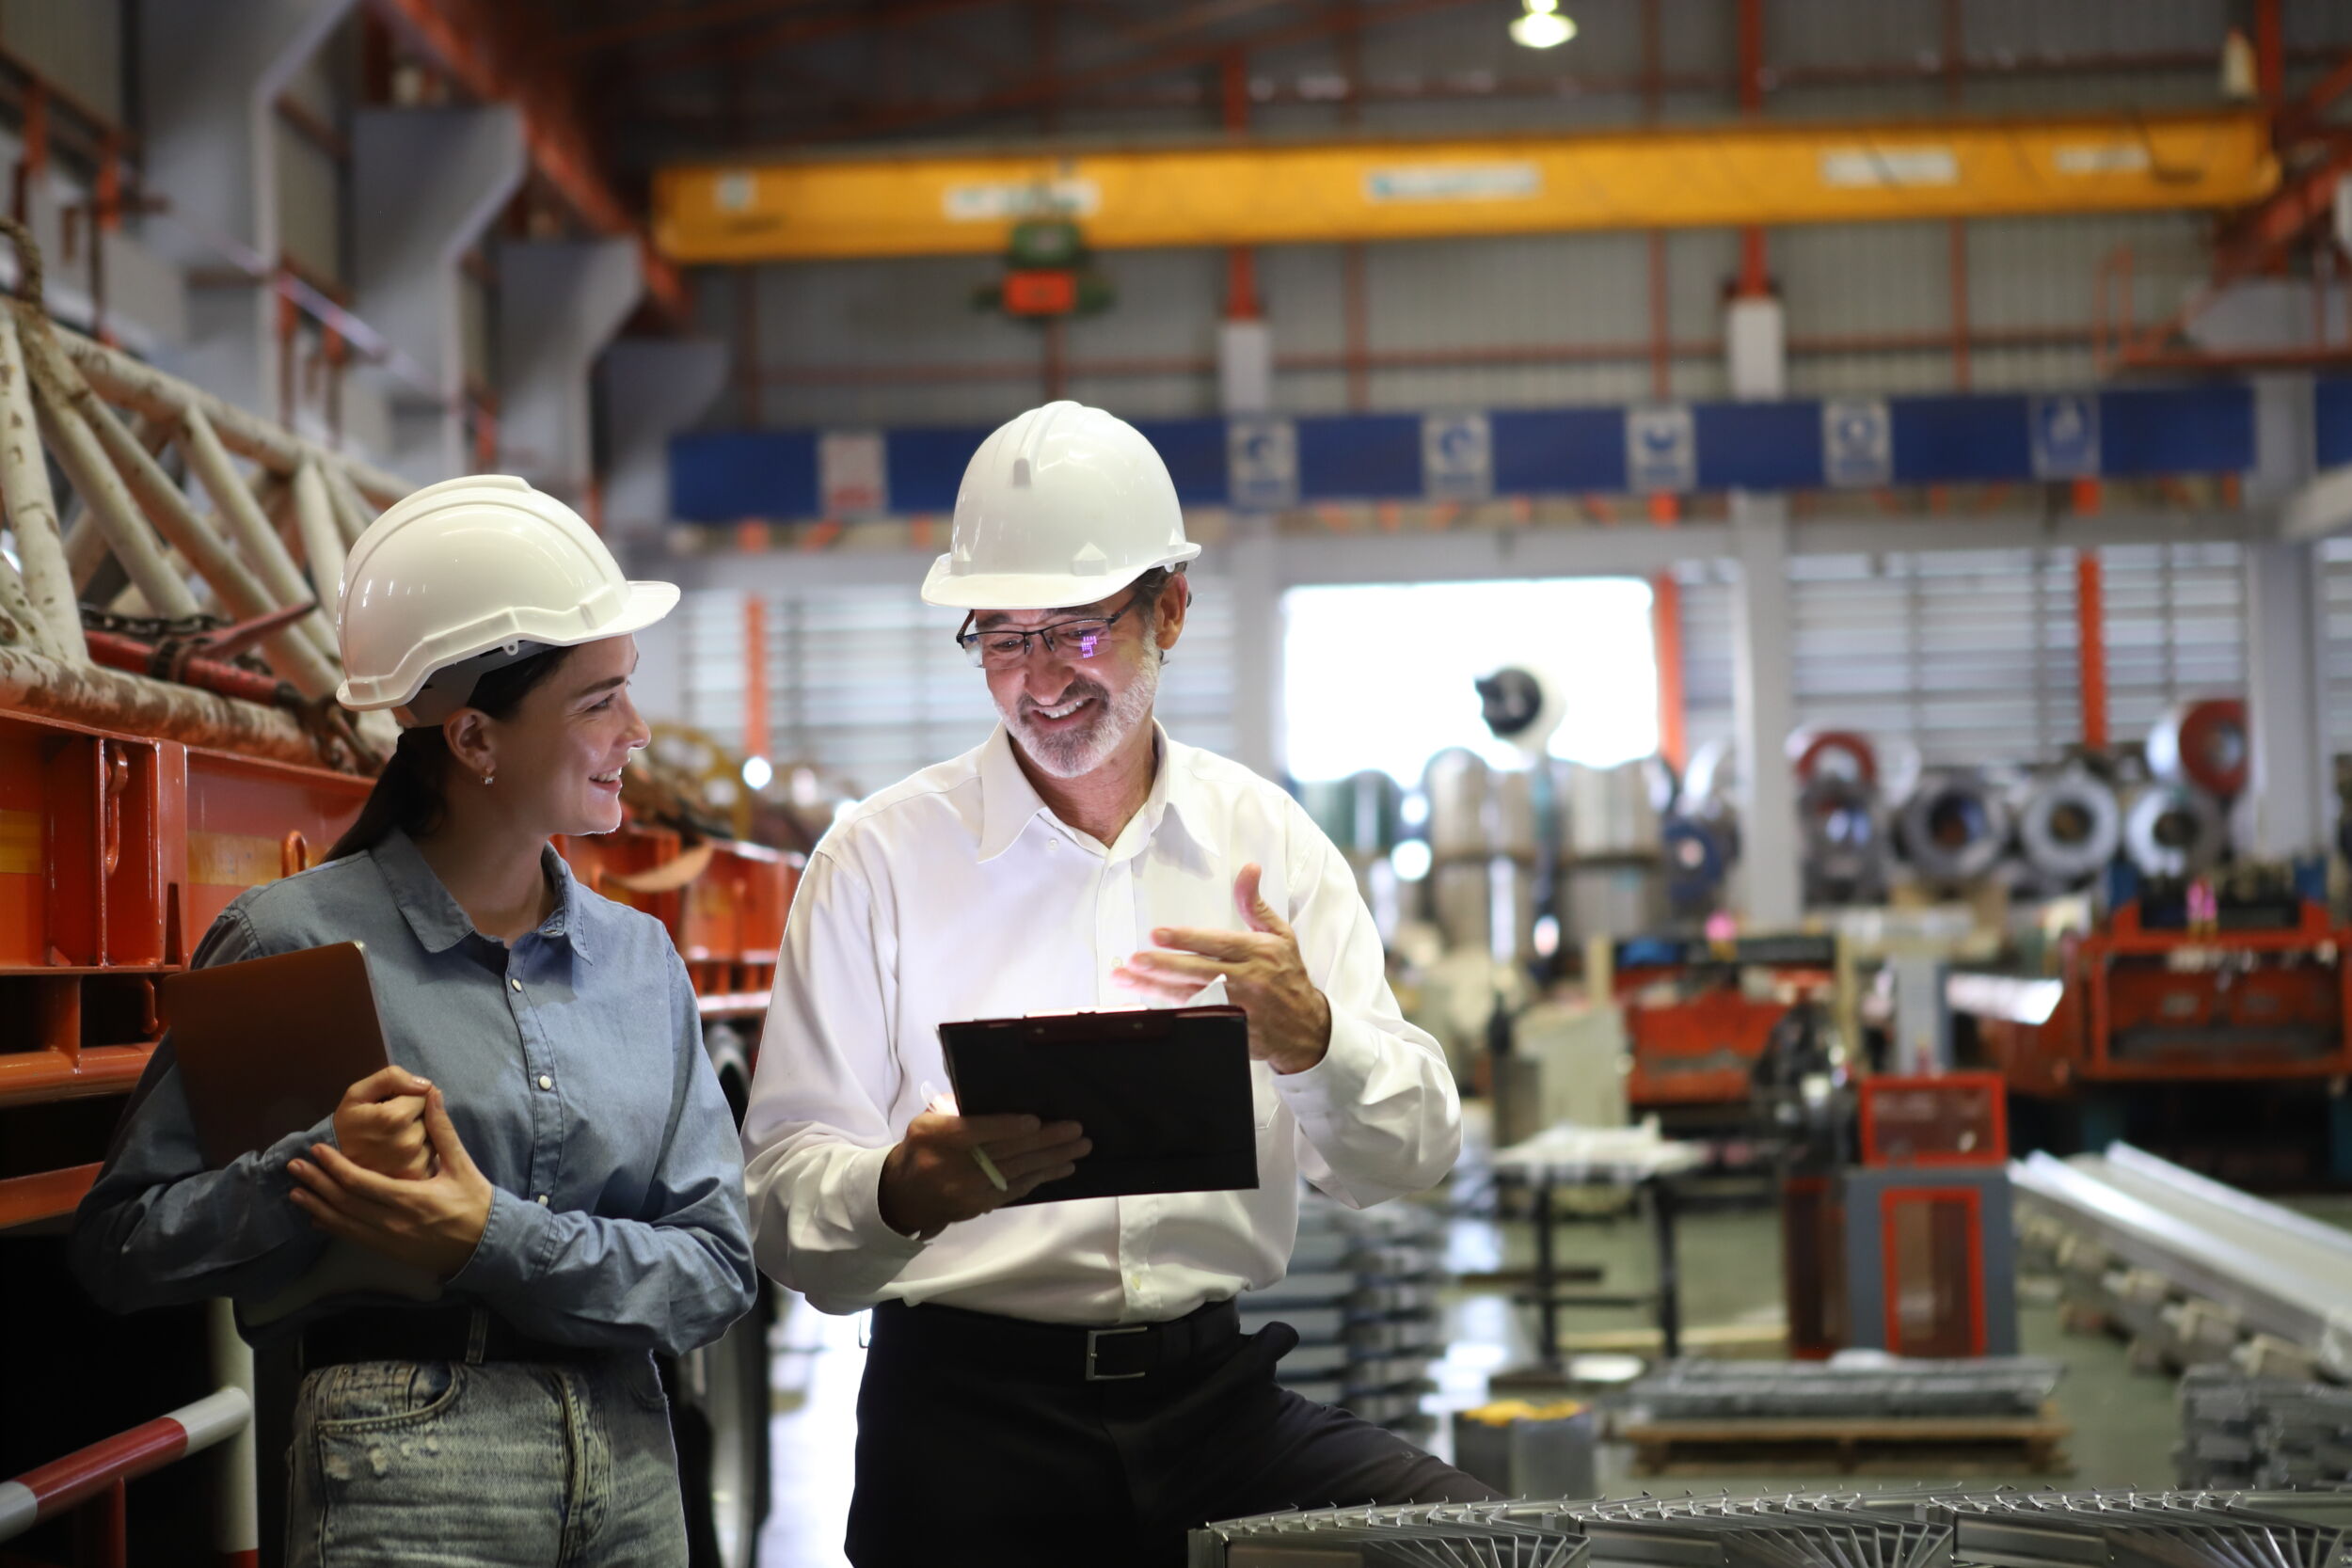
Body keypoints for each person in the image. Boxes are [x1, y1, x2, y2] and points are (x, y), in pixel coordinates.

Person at [740, 401, 1502, 1567]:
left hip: (1217, 1405)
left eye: (1078, 633)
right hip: (964, 1418)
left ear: (1172, 611)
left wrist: (1315, 1042)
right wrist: (899, 1187)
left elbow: (1404, 1154)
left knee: (1476, 1548)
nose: (1039, 680)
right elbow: (784, 1208)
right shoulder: (878, 862)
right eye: (1004, 638)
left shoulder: (1268, 844)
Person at [72, 474, 756, 1567]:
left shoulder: (639, 961)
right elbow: (123, 1246)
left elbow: (718, 1269)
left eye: (628, 691)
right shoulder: (295, 941)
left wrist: (487, 1234)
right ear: (476, 737)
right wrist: (312, 1170)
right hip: (405, 1465)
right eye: (599, 701)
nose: (637, 733)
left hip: (632, 1458)